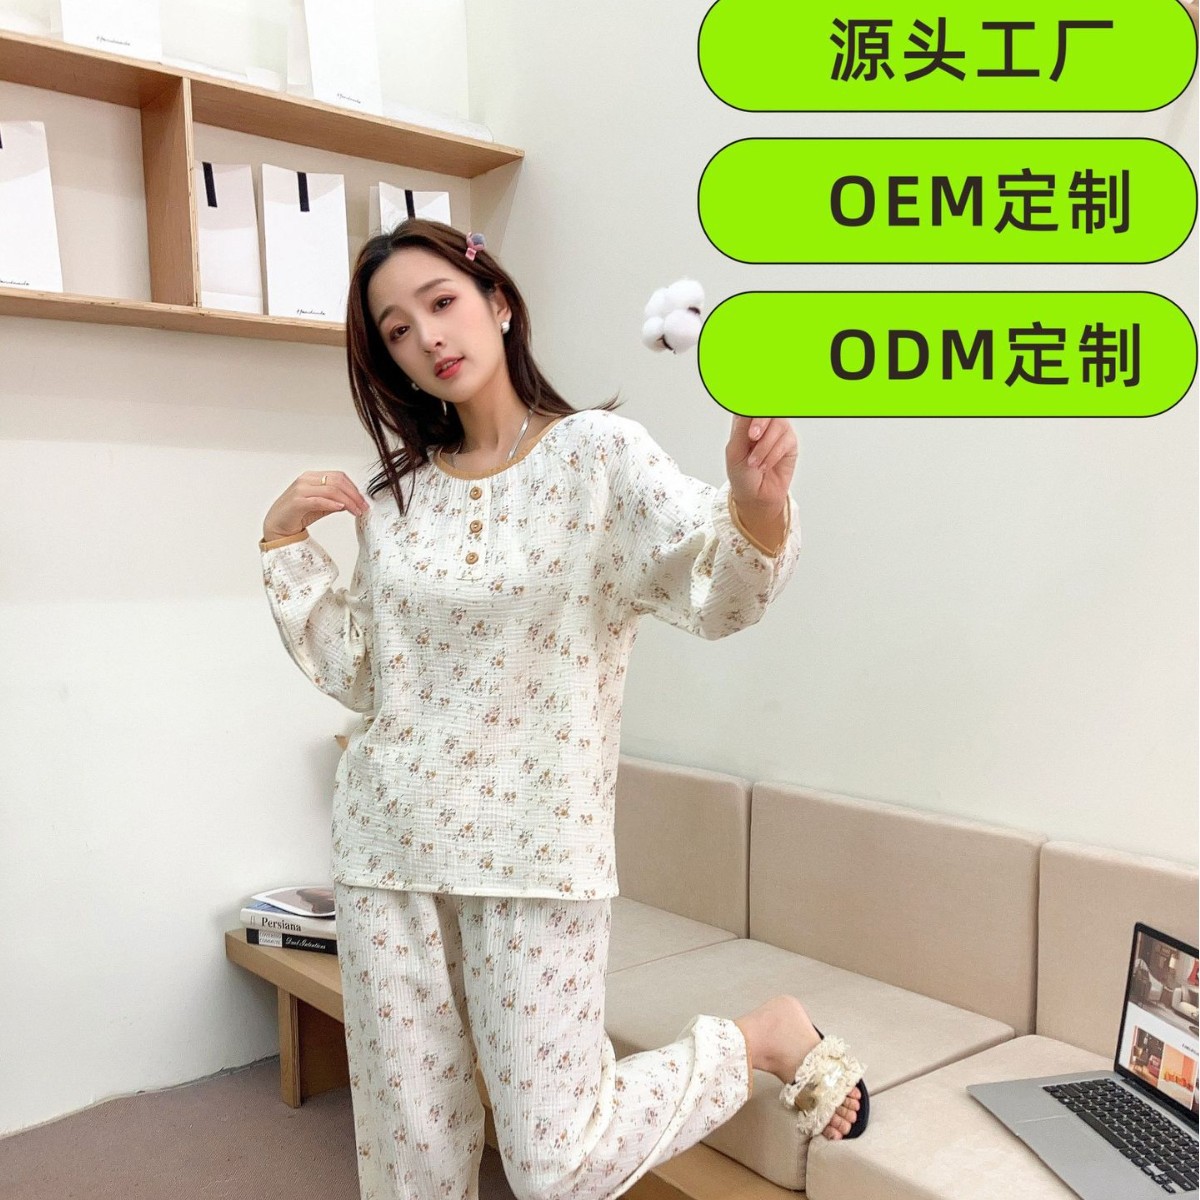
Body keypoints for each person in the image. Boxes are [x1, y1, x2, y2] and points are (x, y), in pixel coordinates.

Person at [258, 219, 866, 1200]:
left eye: (442, 303)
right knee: (411, 1159)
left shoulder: (598, 458)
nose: (428, 337)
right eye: (398, 330)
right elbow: (368, 672)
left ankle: (758, 1038)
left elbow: (714, 591)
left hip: (536, 855)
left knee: (555, 1165)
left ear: (497, 301)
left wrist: (756, 507)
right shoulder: (397, 498)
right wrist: (284, 548)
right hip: (388, 847)